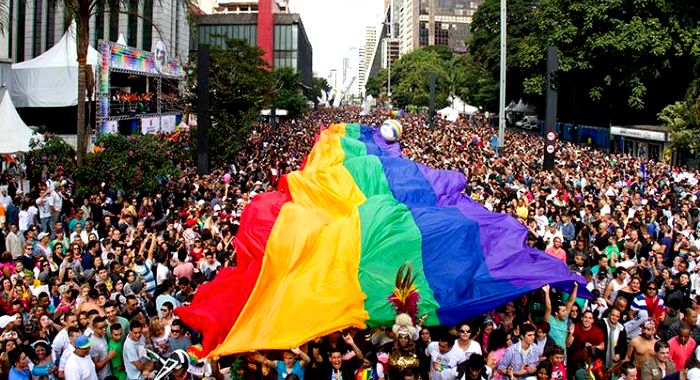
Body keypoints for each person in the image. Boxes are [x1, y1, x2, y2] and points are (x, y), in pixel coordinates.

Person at [542, 283, 578, 352]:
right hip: (551, 353)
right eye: (563, 311)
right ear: (556, 313)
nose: (566, 312)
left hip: (563, 353)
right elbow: (548, 307)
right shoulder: (549, 320)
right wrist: (547, 292)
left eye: (565, 311)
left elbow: (571, 301)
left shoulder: (565, 319)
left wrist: (575, 287)